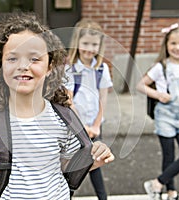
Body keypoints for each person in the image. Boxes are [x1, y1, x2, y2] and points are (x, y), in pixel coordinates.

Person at [0, 12, 115, 200]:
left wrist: (94, 158)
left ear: (50, 66)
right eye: (12, 58)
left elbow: (66, 165)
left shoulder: (63, 118)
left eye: (34, 59)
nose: (23, 66)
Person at [136, 23, 179, 200]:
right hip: (165, 116)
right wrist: (158, 94)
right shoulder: (161, 67)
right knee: (169, 155)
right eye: (173, 43)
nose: (177, 47)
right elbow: (140, 85)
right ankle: (170, 191)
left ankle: (157, 183)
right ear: (166, 45)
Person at [65, 19, 113, 200]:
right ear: (77, 42)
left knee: (95, 163)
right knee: (71, 164)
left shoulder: (102, 69)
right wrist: (82, 126)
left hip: (94, 126)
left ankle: (103, 197)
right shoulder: (69, 68)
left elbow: (103, 99)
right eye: (85, 43)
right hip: (75, 126)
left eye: (94, 44)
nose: (89, 48)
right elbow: (69, 101)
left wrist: (96, 124)